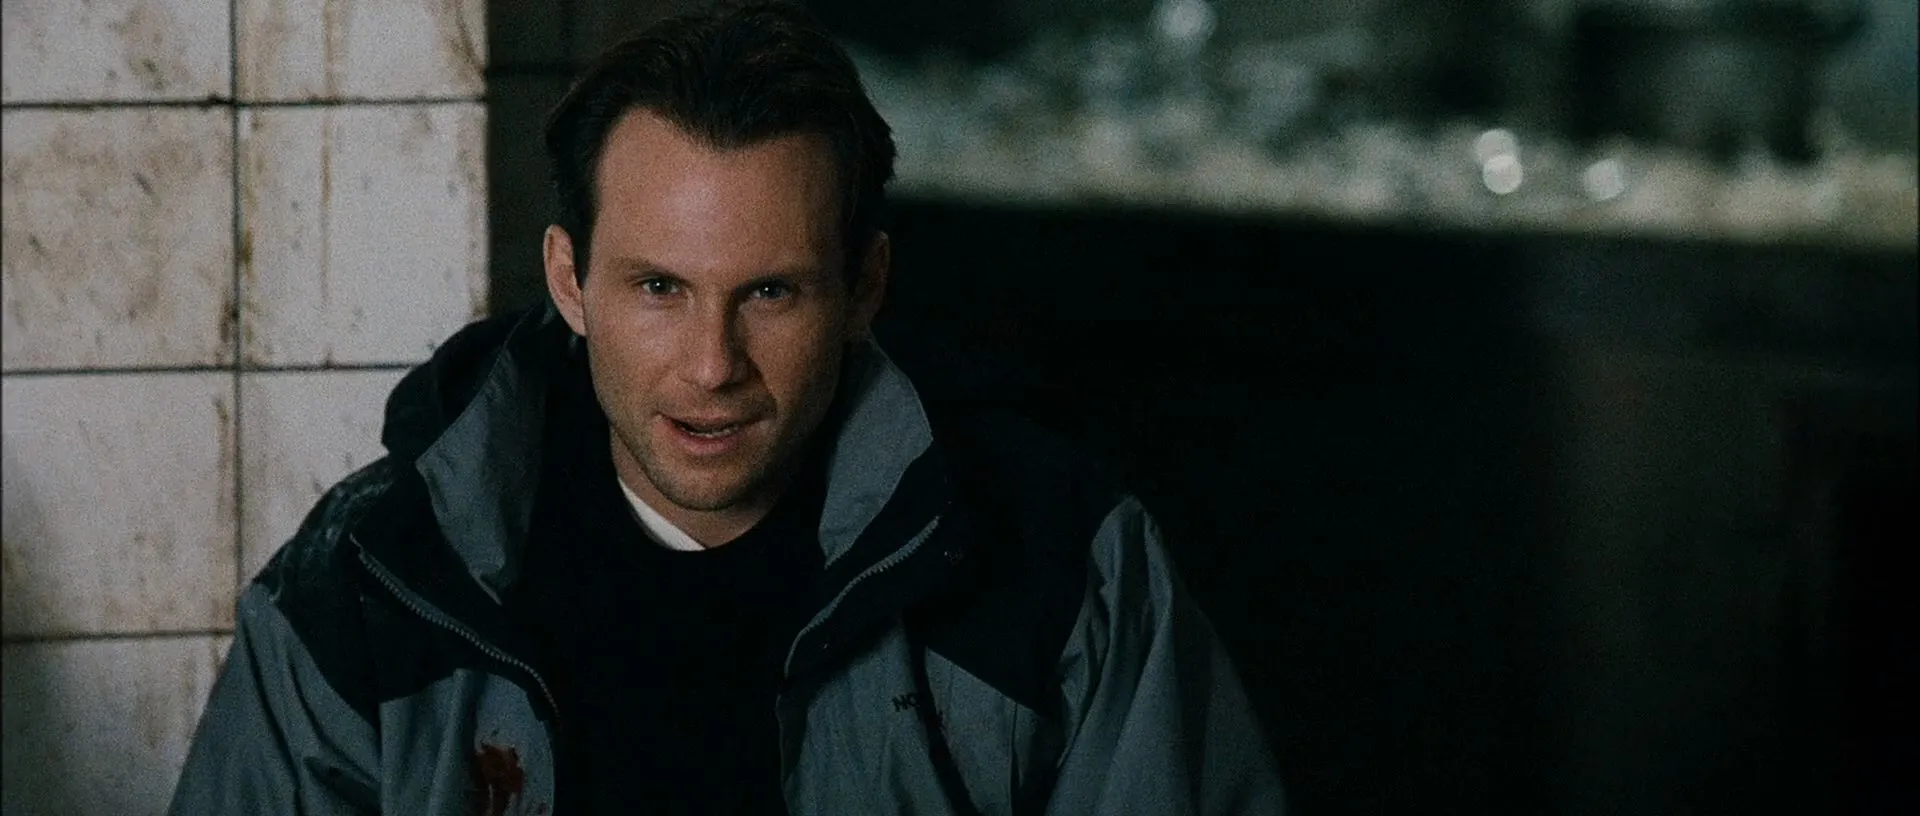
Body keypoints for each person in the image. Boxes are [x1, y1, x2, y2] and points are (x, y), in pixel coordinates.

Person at [169, 2, 1284, 813]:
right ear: (569, 282)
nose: (713, 366)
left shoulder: (1062, 572)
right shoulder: (372, 586)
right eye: (660, 288)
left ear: (865, 288)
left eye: (770, 293)